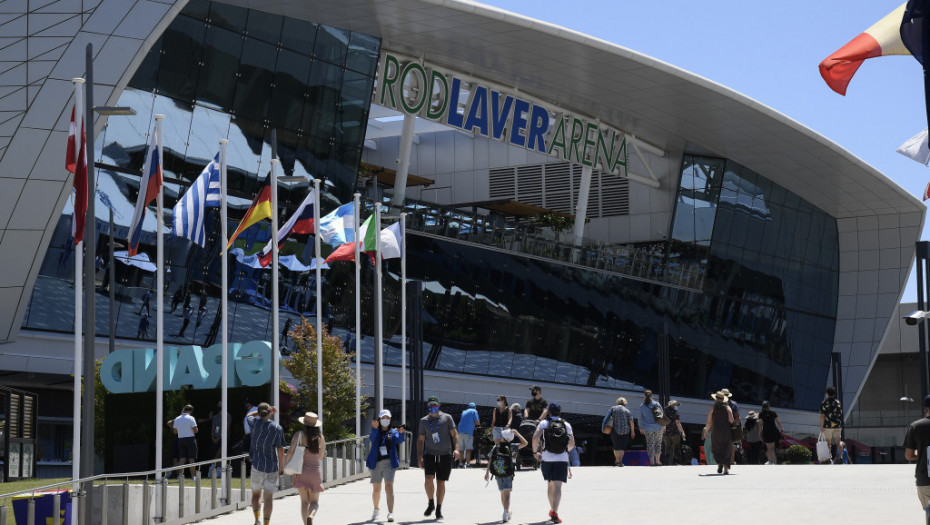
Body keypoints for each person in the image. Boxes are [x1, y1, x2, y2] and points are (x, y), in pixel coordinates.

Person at [416, 395, 459, 520]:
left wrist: (456, 449)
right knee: (428, 479)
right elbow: (420, 440)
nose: (432, 407)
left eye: (435, 405)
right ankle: (431, 503)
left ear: (439, 405)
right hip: (429, 454)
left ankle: (439, 509)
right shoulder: (424, 421)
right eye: (430, 405)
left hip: (445, 454)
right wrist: (419, 457)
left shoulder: (447, 418)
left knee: (441, 482)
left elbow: (455, 435)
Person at [532, 402, 573, 524]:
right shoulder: (566, 424)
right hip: (562, 459)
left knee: (550, 484)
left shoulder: (544, 423)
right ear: (560, 412)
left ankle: (552, 510)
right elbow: (572, 444)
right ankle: (554, 512)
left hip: (547, 458)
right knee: (558, 486)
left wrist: (535, 452)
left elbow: (535, 437)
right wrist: (565, 451)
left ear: (549, 412)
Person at [284, 411, 326, 525]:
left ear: (304, 424)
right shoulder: (320, 437)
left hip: (300, 472)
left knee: (304, 502)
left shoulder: (299, 435)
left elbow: (290, 451)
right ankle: (311, 516)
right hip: (315, 474)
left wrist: (285, 466)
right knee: (314, 502)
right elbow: (321, 457)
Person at [247, 403, 285, 525]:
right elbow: (280, 449)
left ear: (259, 412)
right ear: (270, 413)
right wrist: (282, 466)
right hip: (272, 467)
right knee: (268, 498)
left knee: (256, 494)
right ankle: (266, 523)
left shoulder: (254, 424)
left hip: (257, 465)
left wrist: (260, 412)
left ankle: (257, 519)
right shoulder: (277, 428)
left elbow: (249, 415)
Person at [367, 409, 405, 522]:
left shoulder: (393, 432)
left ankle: (390, 513)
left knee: (389, 487)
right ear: (379, 419)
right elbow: (372, 439)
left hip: (389, 463)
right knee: (376, 489)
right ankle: (376, 509)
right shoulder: (375, 430)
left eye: (387, 418)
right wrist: (374, 428)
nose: (385, 420)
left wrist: (402, 432)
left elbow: (399, 440)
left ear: (390, 419)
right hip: (376, 462)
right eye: (383, 418)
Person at [484, 428, 528, 523]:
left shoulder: (496, 447)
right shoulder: (512, 446)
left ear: (503, 437)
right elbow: (525, 443)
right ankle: (506, 512)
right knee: (507, 493)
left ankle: (506, 511)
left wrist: (487, 472)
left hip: (498, 472)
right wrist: (517, 433)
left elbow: (491, 459)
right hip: (508, 473)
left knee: (502, 493)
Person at [904, 394, 930, 517]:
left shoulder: (916, 426)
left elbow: (908, 455)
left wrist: (920, 455)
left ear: (926, 409)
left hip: (924, 478)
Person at [702, 391, 734, 474]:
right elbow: (731, 420)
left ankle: (720, 464)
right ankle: (726, 469)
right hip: (726, 431)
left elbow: (709, 421)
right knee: (726, 448)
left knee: (717, 448)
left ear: (716, 400)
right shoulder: (728, 408)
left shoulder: (712, 408)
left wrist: (706, 431)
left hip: (716, 431)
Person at [602, 397, 635, 467]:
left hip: (615, 430)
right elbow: (631, 421)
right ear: (625, 403)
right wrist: (632, 431)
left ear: (617, 403)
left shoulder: (613, 409)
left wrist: (603, 427)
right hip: (625, 431)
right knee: (622, 447)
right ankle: (620, 461)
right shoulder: (627, 411)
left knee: (616, 446)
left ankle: (617, 461)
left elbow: (607, 418)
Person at [167, 404, 198, 478]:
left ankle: (180, 476)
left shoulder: (177, 419)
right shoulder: (191, 418)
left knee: (182, 459)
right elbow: (196, 430)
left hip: (181, 440)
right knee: (191, 459)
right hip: (190, 439)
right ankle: (193, 477)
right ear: (190, 411)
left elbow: (175, 432)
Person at [639, 390, 664, 466]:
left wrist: (641, 427)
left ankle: (652, 462)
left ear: (644, 396)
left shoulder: (642, 406)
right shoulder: (656, 404)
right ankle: (658, 461)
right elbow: (662, 414)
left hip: (648, 428)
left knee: (650, 444)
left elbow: (640, 418)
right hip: (658, 427)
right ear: (651, 396)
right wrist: (664, 425)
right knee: (658, 443)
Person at [820, 385, 843, 463]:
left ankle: (829, 458)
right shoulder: (838, 402)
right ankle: (840, 457)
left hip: (828, 426)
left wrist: (822, 426)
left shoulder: (824, 403)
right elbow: (840, 413)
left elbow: (822, 416)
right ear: (834, 393)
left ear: (827, 393)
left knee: (828, 443)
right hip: (837, 425)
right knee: (838, 442)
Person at [759, 400, 785, 465]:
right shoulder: (773, 413)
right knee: (772, 448)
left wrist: (759, 434)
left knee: (768, 448)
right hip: (773, 431)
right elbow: (778, 422)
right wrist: (782, 430)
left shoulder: (761, 414)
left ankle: (770, 461)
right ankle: (774, 462)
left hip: (766, 431)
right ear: (769, 406)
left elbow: (760, 424)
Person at [721, 388, 742, 465]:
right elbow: (737, 416)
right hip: (732, 425)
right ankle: (731, 461)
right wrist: (739, 425)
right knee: (731, 444)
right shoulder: (733, 404)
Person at [663, 399, 686, 465]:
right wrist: (682, 432)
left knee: (667, 447)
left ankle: (666, 462)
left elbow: (663, 422)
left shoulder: (664, 412)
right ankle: (675, 462)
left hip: (666, 433)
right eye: (675, 405)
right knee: (676, 446)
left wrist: (663, 431)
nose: (676, 406)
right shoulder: (675, 412)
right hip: (674, 432)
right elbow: (678, 423)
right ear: (673, 405)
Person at [458, 402, 480, 467]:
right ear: (474, 407)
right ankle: (468, 464)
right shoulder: (474, 411)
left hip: (460, 431)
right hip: (468, 432)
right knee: (468, 449)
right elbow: (477, 422)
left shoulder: (463, 412)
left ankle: (460, 464)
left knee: (461, 449)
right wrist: (478, 424)